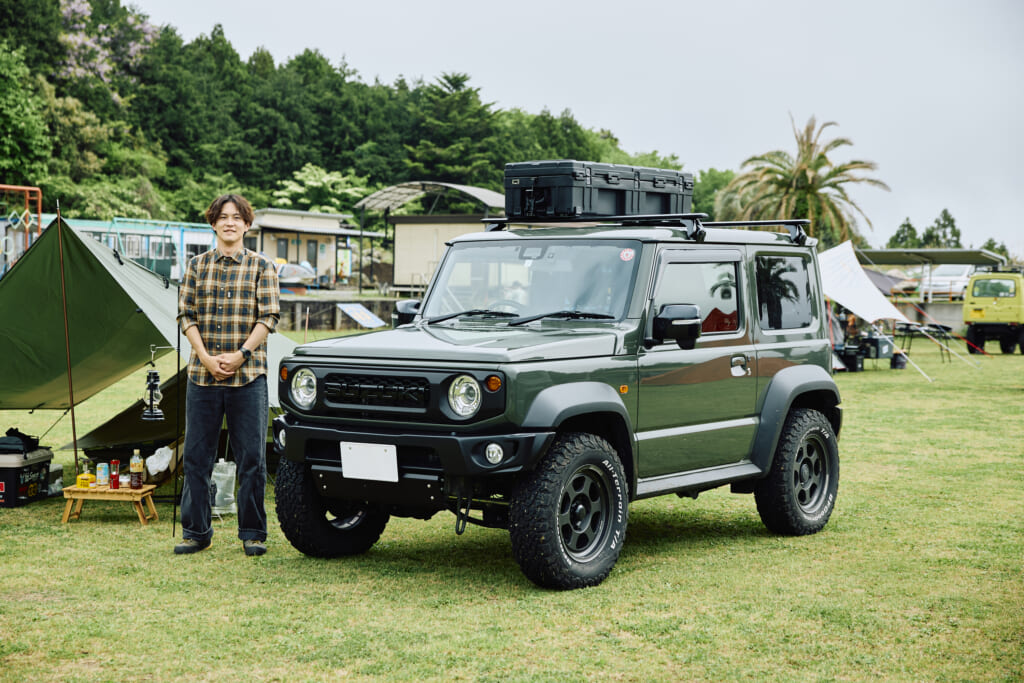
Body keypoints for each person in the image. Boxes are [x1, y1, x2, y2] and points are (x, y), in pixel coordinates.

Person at [174, 194, 280, 556]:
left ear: (247, 225)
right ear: (213, 223)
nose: (229, 222)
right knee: (196, 458)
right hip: (201, 376)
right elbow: (186, 315)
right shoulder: (196, 266)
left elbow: (269, 316)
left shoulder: (263, 267)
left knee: (252, 458)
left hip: (248, 376)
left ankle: (252, 533)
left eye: (237, 217)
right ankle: (196, 532)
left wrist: (241, 355)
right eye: (223, 217)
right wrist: (205, 357)